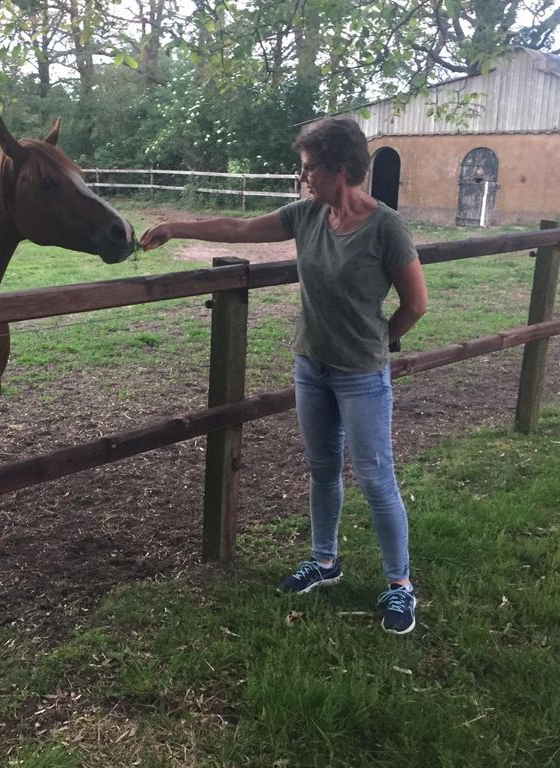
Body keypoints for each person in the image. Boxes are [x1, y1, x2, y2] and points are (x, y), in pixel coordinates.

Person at [140, 116, 428, 634]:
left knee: (375, 477)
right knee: (321, 469)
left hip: (361, 374)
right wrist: (176, 226)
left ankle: (400, 587)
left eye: (308, 169)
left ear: (339, 168)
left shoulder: (386, 226)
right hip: (311, 366)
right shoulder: (307, 214)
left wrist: (381, 342)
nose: (303, 179)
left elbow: (416, 303)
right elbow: (241, 230)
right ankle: (324, 563)